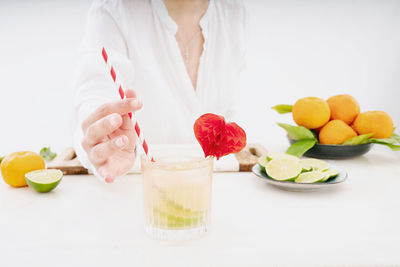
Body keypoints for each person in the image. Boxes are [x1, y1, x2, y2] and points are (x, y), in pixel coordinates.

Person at [73, 0, 248, 182]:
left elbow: (230, 110)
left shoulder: (235, 13)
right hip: (137, 189)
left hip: (212, 189)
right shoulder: (111, 12)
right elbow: (94, 94)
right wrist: (103, 140)